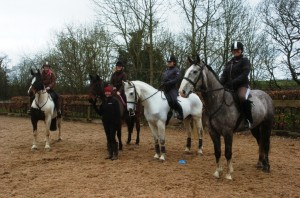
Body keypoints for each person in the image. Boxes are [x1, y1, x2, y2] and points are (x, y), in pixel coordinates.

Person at [220, 41, 253, 128]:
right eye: (234, 50)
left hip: (242, 85)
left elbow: (244, 74)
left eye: (237, 50)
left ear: (241, 50)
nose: (235, 52)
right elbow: (224, 75)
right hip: (230, 87)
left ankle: (248, 119)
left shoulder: (245, 61)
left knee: (242, 97)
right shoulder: (229, 63)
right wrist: (220, 83)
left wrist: (233, 82)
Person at [93, 86, 121, 160]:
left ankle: (115, 154)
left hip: (113, 123)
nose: (107, 93)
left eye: (108, 91)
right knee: (108, 138)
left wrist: (117, 123)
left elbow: (118, 113)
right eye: (106, 92)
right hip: (106, 123)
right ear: (105, 93)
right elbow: (100, 113)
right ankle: (110, 153)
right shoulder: (104, 102)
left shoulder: (115, 101)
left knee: (112, 137)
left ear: (110, 92)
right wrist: (94, 106)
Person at [161, 54, 183, 120]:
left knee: (174, 100)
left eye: (170, 62)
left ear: (174, 62)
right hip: (165, 89)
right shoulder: (166, 71)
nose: (169, 63)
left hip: (172, 89)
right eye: (168, 62)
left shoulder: (176, 70)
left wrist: (167, 83)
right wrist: (162, 83)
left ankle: (180, 114)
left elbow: (176, 80)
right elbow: (163, 80)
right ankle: (168, 113)